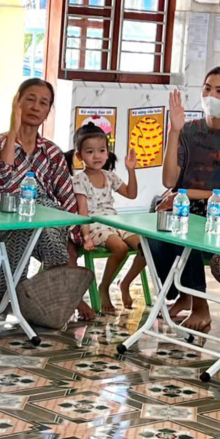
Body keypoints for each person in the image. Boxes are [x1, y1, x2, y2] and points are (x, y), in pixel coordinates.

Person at [149, 67, 220, 333]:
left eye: (219, 91)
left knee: (186, 227)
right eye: (207, 88)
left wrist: (189, 194)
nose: (211, 95)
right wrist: (174, 132)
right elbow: (169, 180)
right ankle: (181, 293)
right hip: (185, 210)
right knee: (155, 227)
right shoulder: (189, 131)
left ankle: (200, 305)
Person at [0, 77, 86, 312]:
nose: (36, 107)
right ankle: (63, 291)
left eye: (43, 103)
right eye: (30, 99)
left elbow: (67, 198)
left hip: (44, 223)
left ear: (48, 112)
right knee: (25, 224)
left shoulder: (52, 152)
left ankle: (0, 291)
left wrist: (75, 236)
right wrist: (13, 131)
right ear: (16, 102)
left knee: (40, 224)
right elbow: (1, 181)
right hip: (1, 222)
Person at [71, 122, 143, 314]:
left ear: (107, 153)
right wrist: (86, 236)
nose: (97, 156)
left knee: (147, 248)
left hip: (115, 221)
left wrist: (131, 170)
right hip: (95, 224)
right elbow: (82, 211)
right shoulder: (79, 179)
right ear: (79, 156)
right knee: (120, 248)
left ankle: (125, 283)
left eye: (101, 150)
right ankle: (104, 287)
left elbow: (131, 194)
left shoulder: (109, 176)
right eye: (90, 152)